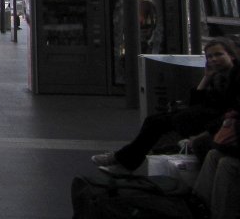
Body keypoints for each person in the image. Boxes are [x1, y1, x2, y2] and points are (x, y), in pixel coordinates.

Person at [91, 37, 240, 172]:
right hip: (202, 118)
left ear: (231, 55)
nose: (213, 59)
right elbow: (197, 103)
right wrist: (206, 77)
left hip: (215, 123)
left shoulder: (234, 78)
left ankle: (122, 159)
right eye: (210, 57)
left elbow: (224, 108)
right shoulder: (218, 76)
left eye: (219, 55)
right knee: (154, 121)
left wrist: (204, 132)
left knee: (156, 124)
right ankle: (124, 160)